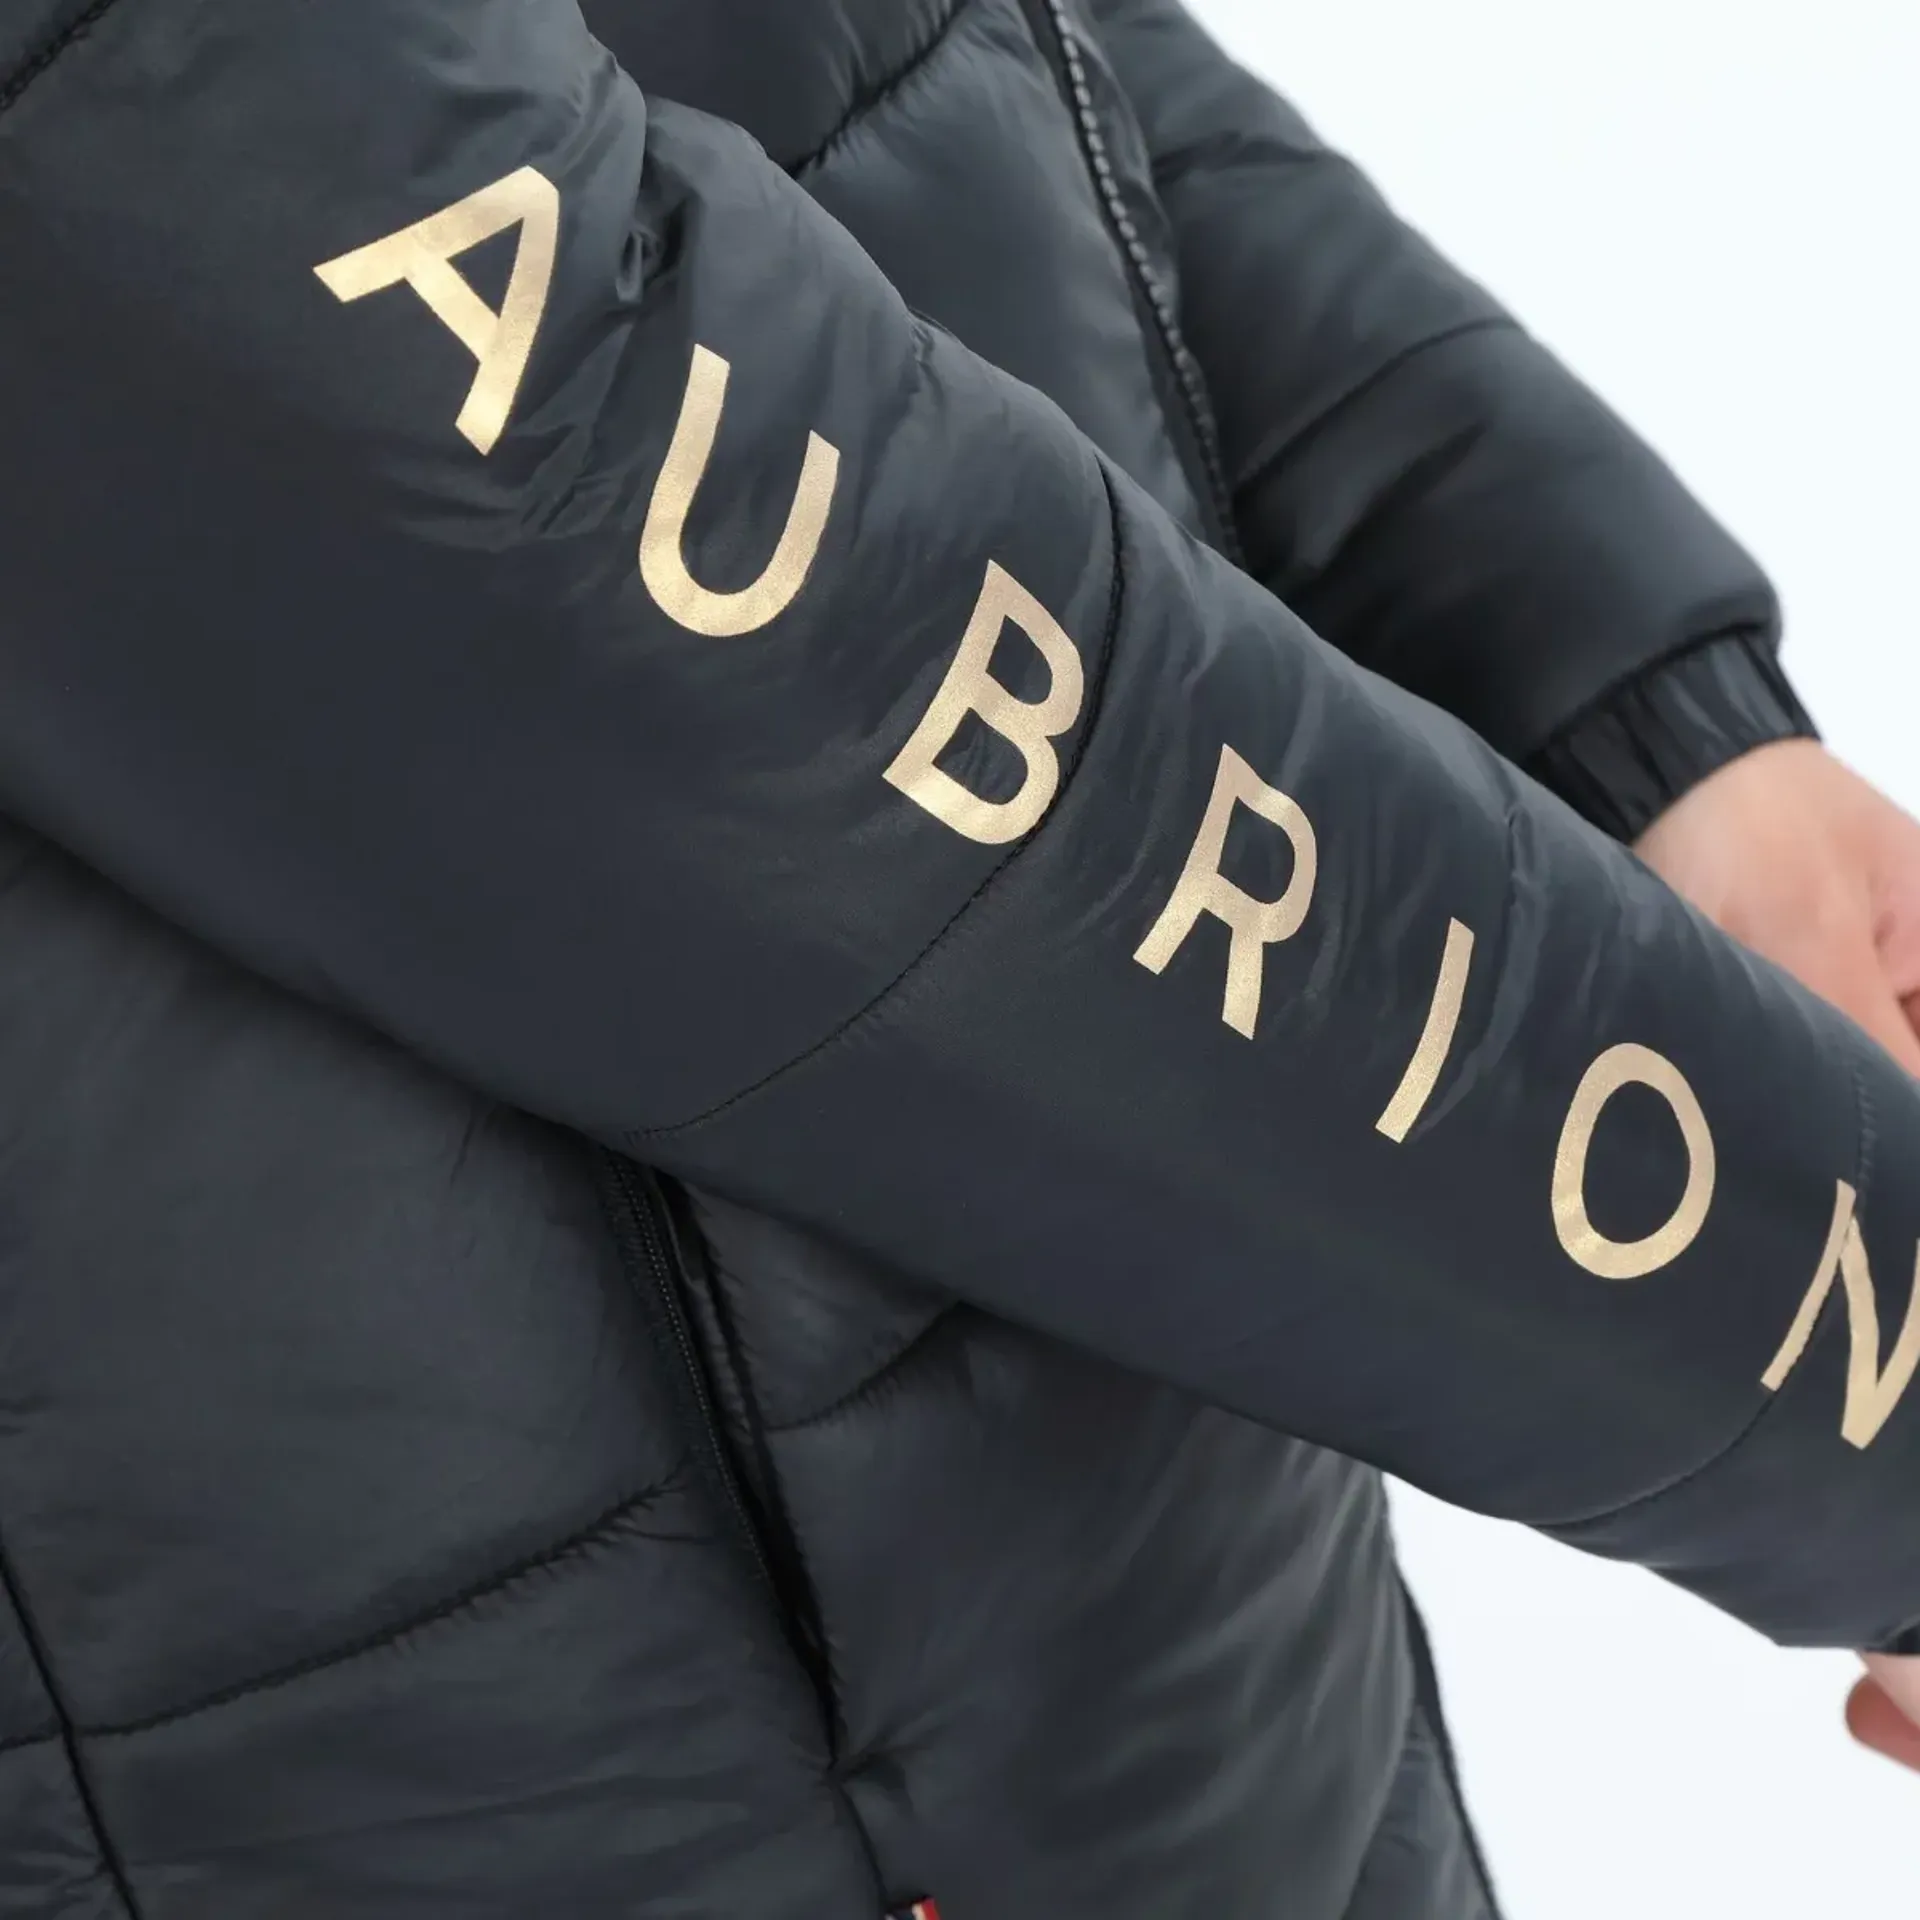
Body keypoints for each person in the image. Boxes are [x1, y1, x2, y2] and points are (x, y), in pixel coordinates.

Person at [0, 0, 1913, 1914]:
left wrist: (1621, 694)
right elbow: (675, 572)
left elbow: (967, 54)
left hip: (1204, 1689)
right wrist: (1868, 1347)